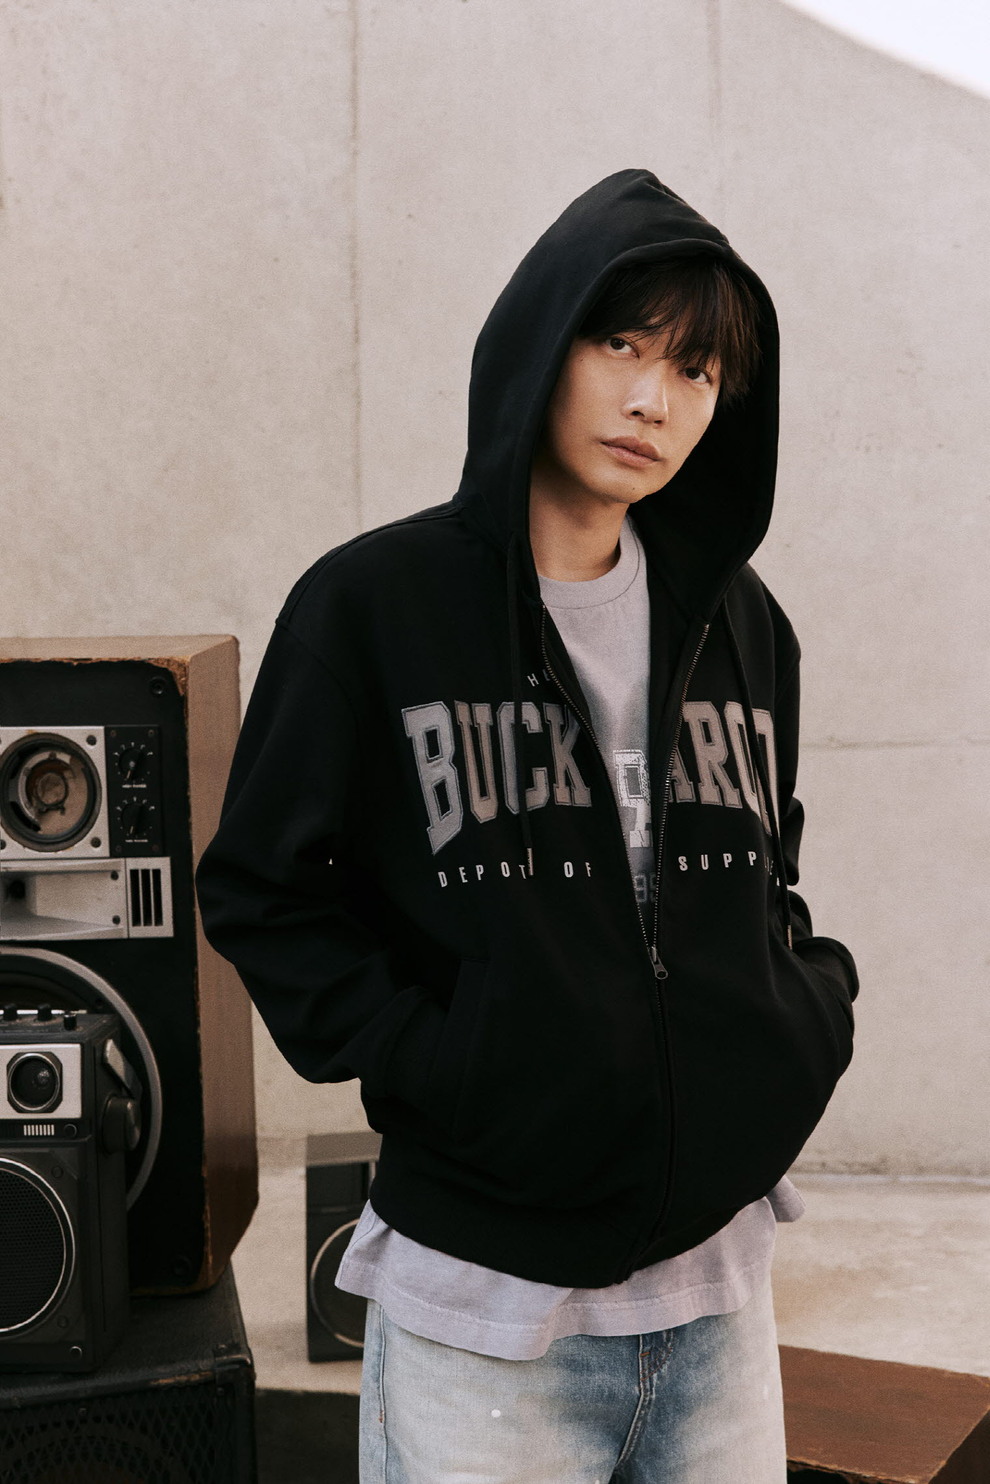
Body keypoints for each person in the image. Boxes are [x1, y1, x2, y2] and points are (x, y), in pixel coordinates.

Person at [195, 169, 858, 1482]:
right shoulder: (374, 609)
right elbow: (264, 889)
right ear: (539, 343)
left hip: (720, 1303)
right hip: (484, 1321)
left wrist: (802, 1005)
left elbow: (764, 871)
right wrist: (438, 1061)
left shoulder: (743, 623)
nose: (653, 399)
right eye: (621, 344)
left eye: (696, 372)